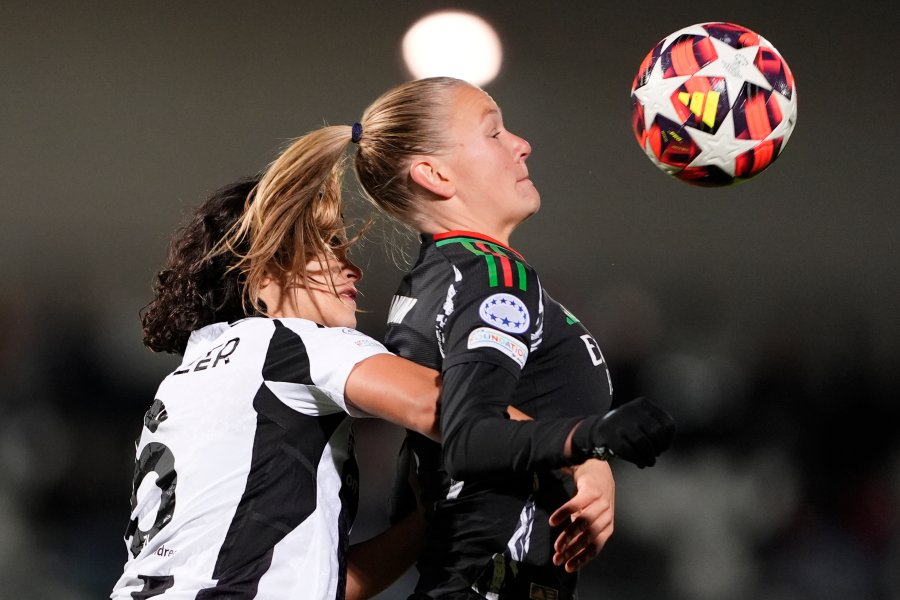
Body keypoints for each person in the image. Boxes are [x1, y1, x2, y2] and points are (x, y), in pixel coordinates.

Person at [254, 77, 676, 600]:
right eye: (494, 133)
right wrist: (592, 439)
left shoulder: (432, 281)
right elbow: (468, 437)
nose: (522, 144)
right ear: (434, 173)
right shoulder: (495, 276)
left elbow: (422, 468)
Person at [112, 175, 443, 600]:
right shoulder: (289, 343)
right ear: (264, 271)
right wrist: (556, 448)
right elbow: (438, 406)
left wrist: (423, 526)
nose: (352, 267)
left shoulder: (182, 382)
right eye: (328, 245)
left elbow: (308, 584)